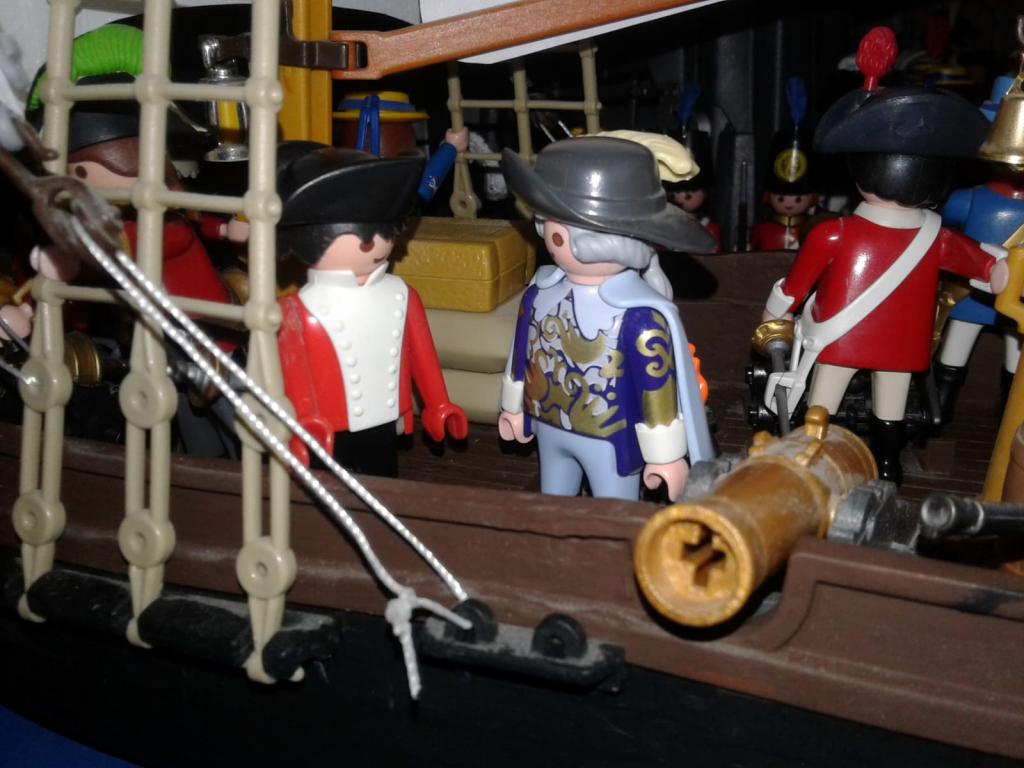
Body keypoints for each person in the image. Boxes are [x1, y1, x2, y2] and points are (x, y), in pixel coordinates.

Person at [759, 27, 1006, 483]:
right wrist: (999, 269)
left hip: (838, 338)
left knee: (825, 401)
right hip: (899, 342)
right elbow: (981, 263)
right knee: (889, 405)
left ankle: (819, 454)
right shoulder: (934, 237)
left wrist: (774, 313)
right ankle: (886, 464)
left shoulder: (834, 233)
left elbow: (795, 288)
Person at [498, 135, 715, 501]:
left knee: (612, 516)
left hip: (610, 438)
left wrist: (665, 455)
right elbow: (520, 354)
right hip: (548, 424)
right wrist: (512, 407)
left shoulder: (640, 317)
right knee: (553, 507)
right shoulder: (539, 292)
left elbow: (656, 385)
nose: (553, 235)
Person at [275, 144, 468, 477]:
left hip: (383, 418)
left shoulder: (401, 295)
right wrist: (302, 421)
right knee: (326, 490)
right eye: (365, 238)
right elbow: (295, 376)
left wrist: (438, 403)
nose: (379, 244)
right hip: (325, 427)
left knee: (382, 478)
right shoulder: (297, 310)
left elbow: (423, 356)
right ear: (310, 239)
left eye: (386, 232)